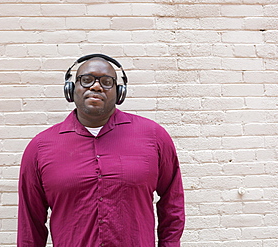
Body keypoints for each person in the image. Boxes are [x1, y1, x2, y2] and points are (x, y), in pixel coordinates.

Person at [17, 54, 185, 247]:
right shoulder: (40, 148)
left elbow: (172, 202)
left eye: (106, 82)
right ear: (71, 89)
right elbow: (30, 225)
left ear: (119, 92)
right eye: (86, 80)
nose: (96, 86)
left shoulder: (154, 137)